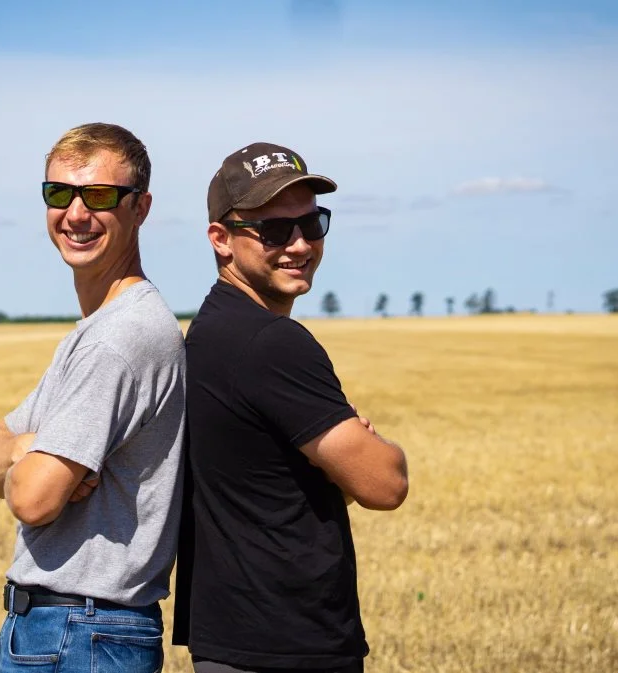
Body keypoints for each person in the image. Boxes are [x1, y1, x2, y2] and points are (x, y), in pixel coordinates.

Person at [172, 142, 410, 672]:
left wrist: (334, 468)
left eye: (313, 224)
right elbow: (384, 485)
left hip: (232, 636)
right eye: (275, 231)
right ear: (221, 239)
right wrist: (371, 452)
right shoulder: (273, 343)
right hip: (287, 644)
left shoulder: (210, 329)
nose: (300, 245)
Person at [0, 122, 186, 673]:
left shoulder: (118, 340)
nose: (74, 214)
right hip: (78, 630)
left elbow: (33, 500)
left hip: (83, 633)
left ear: (140, 208)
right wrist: (30, 447)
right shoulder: (96, 330)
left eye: (98, 196)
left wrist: (27, 462)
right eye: (57, 193)